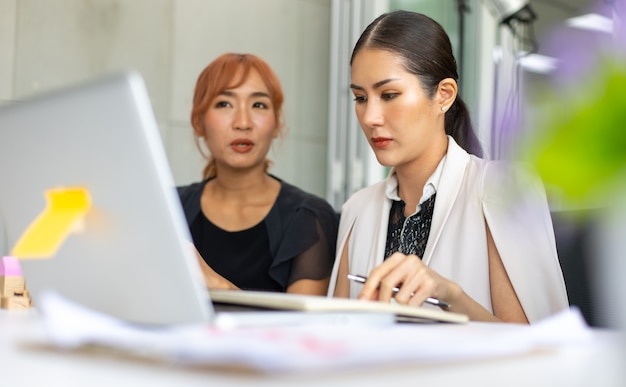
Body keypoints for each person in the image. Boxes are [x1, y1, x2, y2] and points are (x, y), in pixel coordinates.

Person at [328, 10, 569, 323]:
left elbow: (537, 348)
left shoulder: (503, 189)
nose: (370, 117)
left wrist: (450, 296)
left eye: (389, 95)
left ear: (444, 95)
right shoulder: (357, 209)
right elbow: (334, 334)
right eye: (360, 98)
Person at [178, 53, 338, 295]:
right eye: (224, 104)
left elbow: (301, 330)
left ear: (276, 124)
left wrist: (218, 285)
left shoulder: (308, 217)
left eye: (258, 105)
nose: (243, 122)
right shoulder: (169, 209)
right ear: (199, 122)